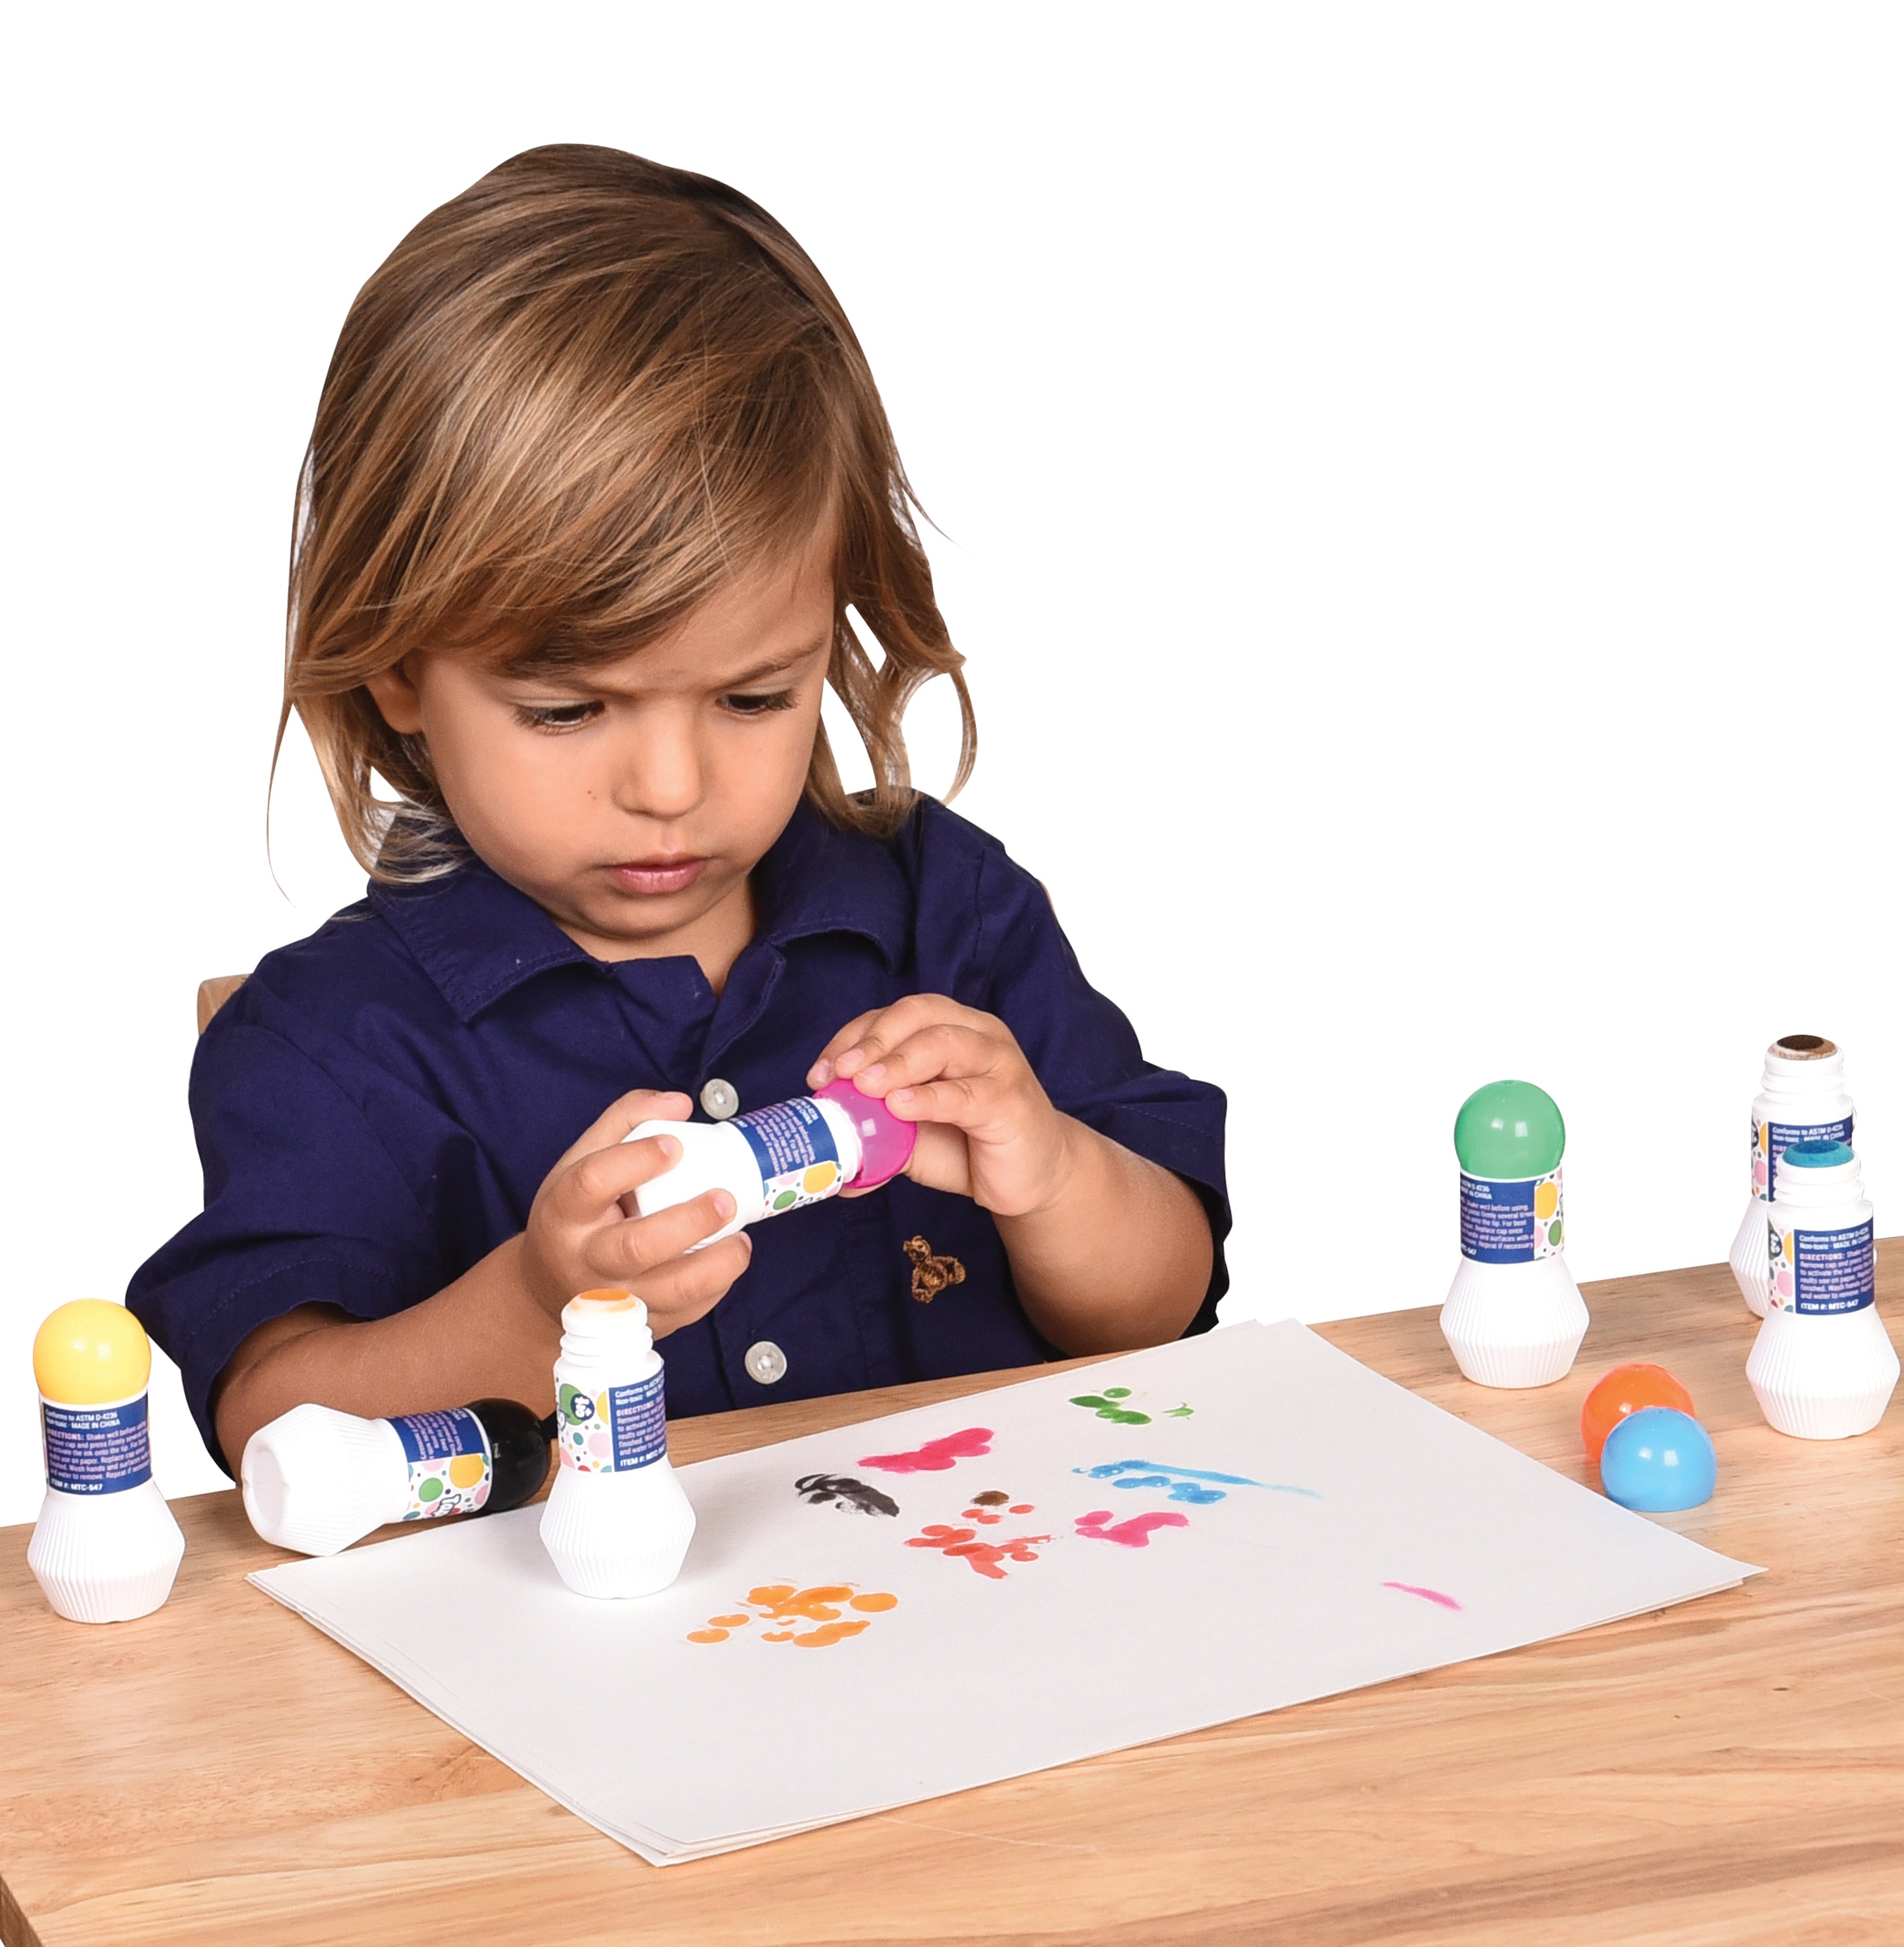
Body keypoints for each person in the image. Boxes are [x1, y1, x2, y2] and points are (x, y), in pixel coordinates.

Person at [128, 145, 1229, 1478]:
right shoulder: (329, 1040)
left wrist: (1050, 1172)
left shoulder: (946, 910)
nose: (670, 789)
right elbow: (275, 1435)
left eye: (755, 697)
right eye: (567, 710)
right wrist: (538, 1301)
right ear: (398, 667)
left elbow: (1161, 1305)